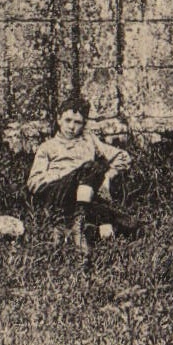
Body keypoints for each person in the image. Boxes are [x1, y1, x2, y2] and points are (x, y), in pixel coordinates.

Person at [27, 95, 141, 256]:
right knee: (90, 167)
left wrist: (108, 176)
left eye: (77, 122)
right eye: (67, 120)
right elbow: (34, 183)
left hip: (85, 196)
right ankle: (78, 229)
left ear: (84, 124)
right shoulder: (47, 147)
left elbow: (122, 157)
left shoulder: (89, 140)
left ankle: (81, 228)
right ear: (59, 119)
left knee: (131, 224)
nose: (72, 127)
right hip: (59, 194)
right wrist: (68, 175)